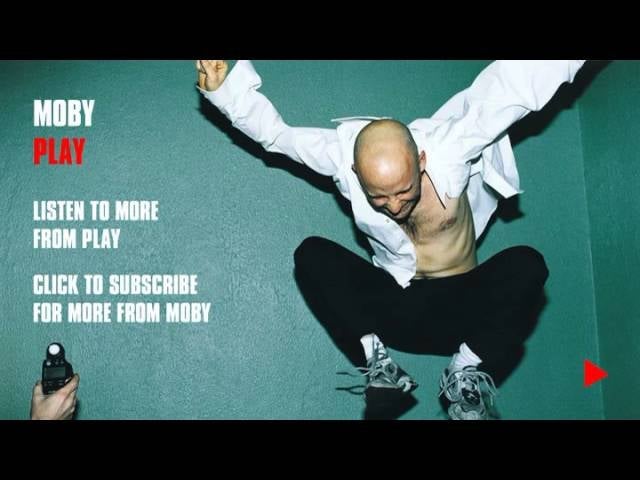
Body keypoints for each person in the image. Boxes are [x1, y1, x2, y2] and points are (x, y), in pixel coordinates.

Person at [196, 60, 585, 420]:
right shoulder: (340, 160)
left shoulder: (455, 145)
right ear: (355, 172)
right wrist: (224, 91)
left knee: (527, 264)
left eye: (403, 191)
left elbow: (521, 83)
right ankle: (379, 364)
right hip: (400, 306)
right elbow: (277, 136)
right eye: (379, 197)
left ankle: (464, 371)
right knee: (312, 254)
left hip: (465, 309)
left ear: (422, 161)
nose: (395, 206)